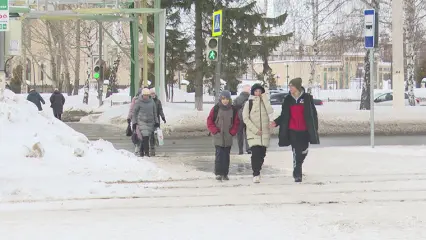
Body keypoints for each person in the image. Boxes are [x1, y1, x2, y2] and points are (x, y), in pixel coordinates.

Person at [270, 78, 319, 182]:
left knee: (304, 150)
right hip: (293, 130)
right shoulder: (288, 99)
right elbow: (284, 115)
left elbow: (313, 114)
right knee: (296, 152)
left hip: (305, 130)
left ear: (297, 87)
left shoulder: (307, 98)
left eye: (292, 86)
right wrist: (276, 122)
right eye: (289, 86)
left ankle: (298, 165)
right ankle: (297, 174)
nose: (290, 88)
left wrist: (314, 127)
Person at [243, 84, 274, 183]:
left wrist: (265, 99)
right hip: (254, 133)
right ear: (253, 92)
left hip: (264, 133)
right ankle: (255, 173)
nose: (258, 93)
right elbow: (245, 118)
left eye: (260, 91)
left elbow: (270, 112)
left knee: (262, 154)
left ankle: (258, 170)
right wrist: (255, 130)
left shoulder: (265, 102)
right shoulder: (249, 103)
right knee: (255, 154)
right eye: (256, 91)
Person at [207, 90, 240, 181]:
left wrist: (232, 133)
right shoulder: (216, 109)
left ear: (229, 100)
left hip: (228, 137)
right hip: (218, 137)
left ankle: (225, 173)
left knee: (226, 156)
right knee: (219, 156)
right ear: (220, 99)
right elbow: (210, 121)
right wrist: (215, 131)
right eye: (223, 99)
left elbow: (236, 123)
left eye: (227, 99)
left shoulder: (233, 110)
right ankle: (218, 173)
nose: (225, 100)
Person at [132, 88, 159, 157]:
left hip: (150, 122)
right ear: (142, 95)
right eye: (144, 95)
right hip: (142, 121)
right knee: (145, 136)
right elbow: (134, 112)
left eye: (147, 95)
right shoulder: (139, 102)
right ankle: (146, 153)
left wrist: (156, 121)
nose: (146, 96)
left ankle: (141, 152)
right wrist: (134, 122)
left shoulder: (152, 101)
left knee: (146, 138)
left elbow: (154, 112)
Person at [233, 84, 251, 155]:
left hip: (239, 118)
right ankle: (248, 149)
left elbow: (233, 108)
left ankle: (240, 150)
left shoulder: (237, 98)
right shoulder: (251, 98)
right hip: (248, 118)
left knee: (239, 135)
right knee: (248, 134)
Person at [149, 88, 166, 156]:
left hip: (156, 121)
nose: (153, 95)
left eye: (153, 93)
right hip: (150, 121)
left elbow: (160, 110)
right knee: (151, 135)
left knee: (156, 135)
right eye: (151, 93)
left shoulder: (158, 101)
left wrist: (163, 117)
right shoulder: (148, 101)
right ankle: (152, 149)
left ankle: (155, 145)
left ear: (155, 94)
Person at [128, 88, 142, 154]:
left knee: (140, 133)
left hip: (142, 119)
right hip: (135, 120)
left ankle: (139, 146)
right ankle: (137, 145)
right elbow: (131, 109)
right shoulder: (135, 99)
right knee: (136, 133)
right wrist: (129, 117)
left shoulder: (145, 100)